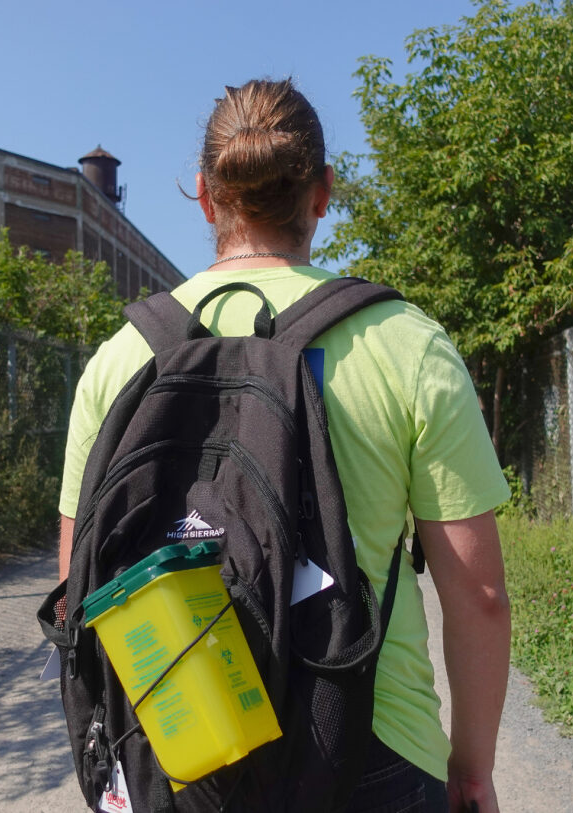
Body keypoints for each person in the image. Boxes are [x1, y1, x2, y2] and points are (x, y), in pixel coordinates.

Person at [57, 77, 511, 813]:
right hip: (370, 746)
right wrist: (471, 768)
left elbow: (82, 585)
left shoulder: (121, 358)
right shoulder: (406, 344)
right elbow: (479, 595)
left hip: (180, 750)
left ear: (206, 198)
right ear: (322, 192)